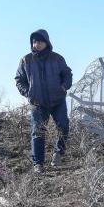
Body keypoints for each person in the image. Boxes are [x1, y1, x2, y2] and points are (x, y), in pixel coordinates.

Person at [15, 29, 73, 173]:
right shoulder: (26, 60)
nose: (37, 44)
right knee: (38, 132)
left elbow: (67, 74)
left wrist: (64, 87)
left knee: (63, 125)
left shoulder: (57, 58)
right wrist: (28, 93)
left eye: (39, 41)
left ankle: (58, 153)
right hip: (37, 103)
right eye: (34, 41)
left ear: (46, 42)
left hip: (57, 100)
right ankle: (38, 164)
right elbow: (19, 79)